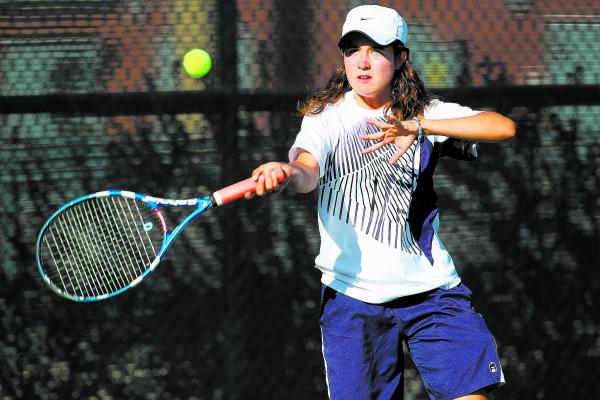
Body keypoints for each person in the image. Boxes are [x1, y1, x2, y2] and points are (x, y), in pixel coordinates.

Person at [247, 5, 516, 400]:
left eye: (376, 49)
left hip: (432, 293)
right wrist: (285, 173)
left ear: (400, 56)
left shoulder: (424, 113)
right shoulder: (326, 119)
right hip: (352, 299)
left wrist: (420, 126)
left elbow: (502, 126)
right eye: (353, 49)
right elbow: (306, 170)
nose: (363, 61)